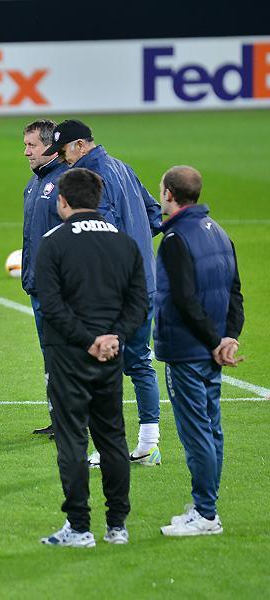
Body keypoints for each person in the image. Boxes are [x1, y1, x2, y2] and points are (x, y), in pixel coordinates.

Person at [36, 168, 148, 547]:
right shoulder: (124, 243)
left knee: (71, 440)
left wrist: (87, 341)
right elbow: (139, 303)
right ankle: (117, 526)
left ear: (62, 201)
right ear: (98, 200)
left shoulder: (54, 242)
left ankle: (79, 528)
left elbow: (51, 305)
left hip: (69, 357)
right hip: (110, 356)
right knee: (112, 438)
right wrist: (113, 337)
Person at [43, 119, 163, 467]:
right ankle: (149, 444)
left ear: (81, 145)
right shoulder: (124, 168)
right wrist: (137, 246)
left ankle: (110, 448)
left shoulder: (90, 179)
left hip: (112, 291)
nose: (63, 159)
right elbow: (155, 215)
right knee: (140, 363)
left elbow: (100, 238)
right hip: (144, 282)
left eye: (64, 151)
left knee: (100, 365)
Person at [153, 166, 244, 536]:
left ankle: (205, 515)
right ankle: (207, 507)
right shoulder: (219, 232)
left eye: (161, 189)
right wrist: (228, 338)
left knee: (196, 434)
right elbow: (235, 293)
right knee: (212, 428)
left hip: (187, 350)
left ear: (170, 194)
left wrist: (214, 341)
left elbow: (185, 300)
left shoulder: (176, 238)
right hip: (211, 350)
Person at [20, 119, 67, 438]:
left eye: (32, 145)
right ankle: (59, 418)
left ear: (51, 146)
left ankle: (73, 421)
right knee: (51, 355)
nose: (26, 152)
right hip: (38, 285)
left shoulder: (65, 182)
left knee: (63, 356)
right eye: (25, 145)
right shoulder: (34, 182)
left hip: (59, 290)